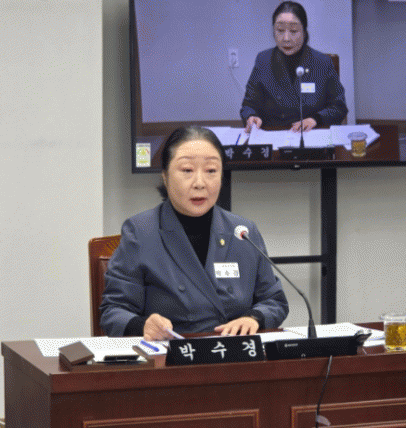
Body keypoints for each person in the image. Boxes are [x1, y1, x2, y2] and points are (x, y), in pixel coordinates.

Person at [100, 126, 289, 340]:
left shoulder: (242, 232)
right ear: (165, 176)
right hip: (173, 352)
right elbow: (113, 311)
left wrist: (254, 318)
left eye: (211, 171)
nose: (200, 183)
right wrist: (143, 326)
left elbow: (274, 301)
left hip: (233, 351)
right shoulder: (141, 232)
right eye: (187, 170)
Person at [241, 1, 348, 133]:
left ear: (304, 31)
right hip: (275, 134)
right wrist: (251, 116)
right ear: (273, 31)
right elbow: (249, 105)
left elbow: (339, 107)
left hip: (311, 135)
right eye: (280, 30)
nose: (286, 38)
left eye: (293, 31)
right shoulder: (263, 60)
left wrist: (315, 119)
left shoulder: (322, 63)